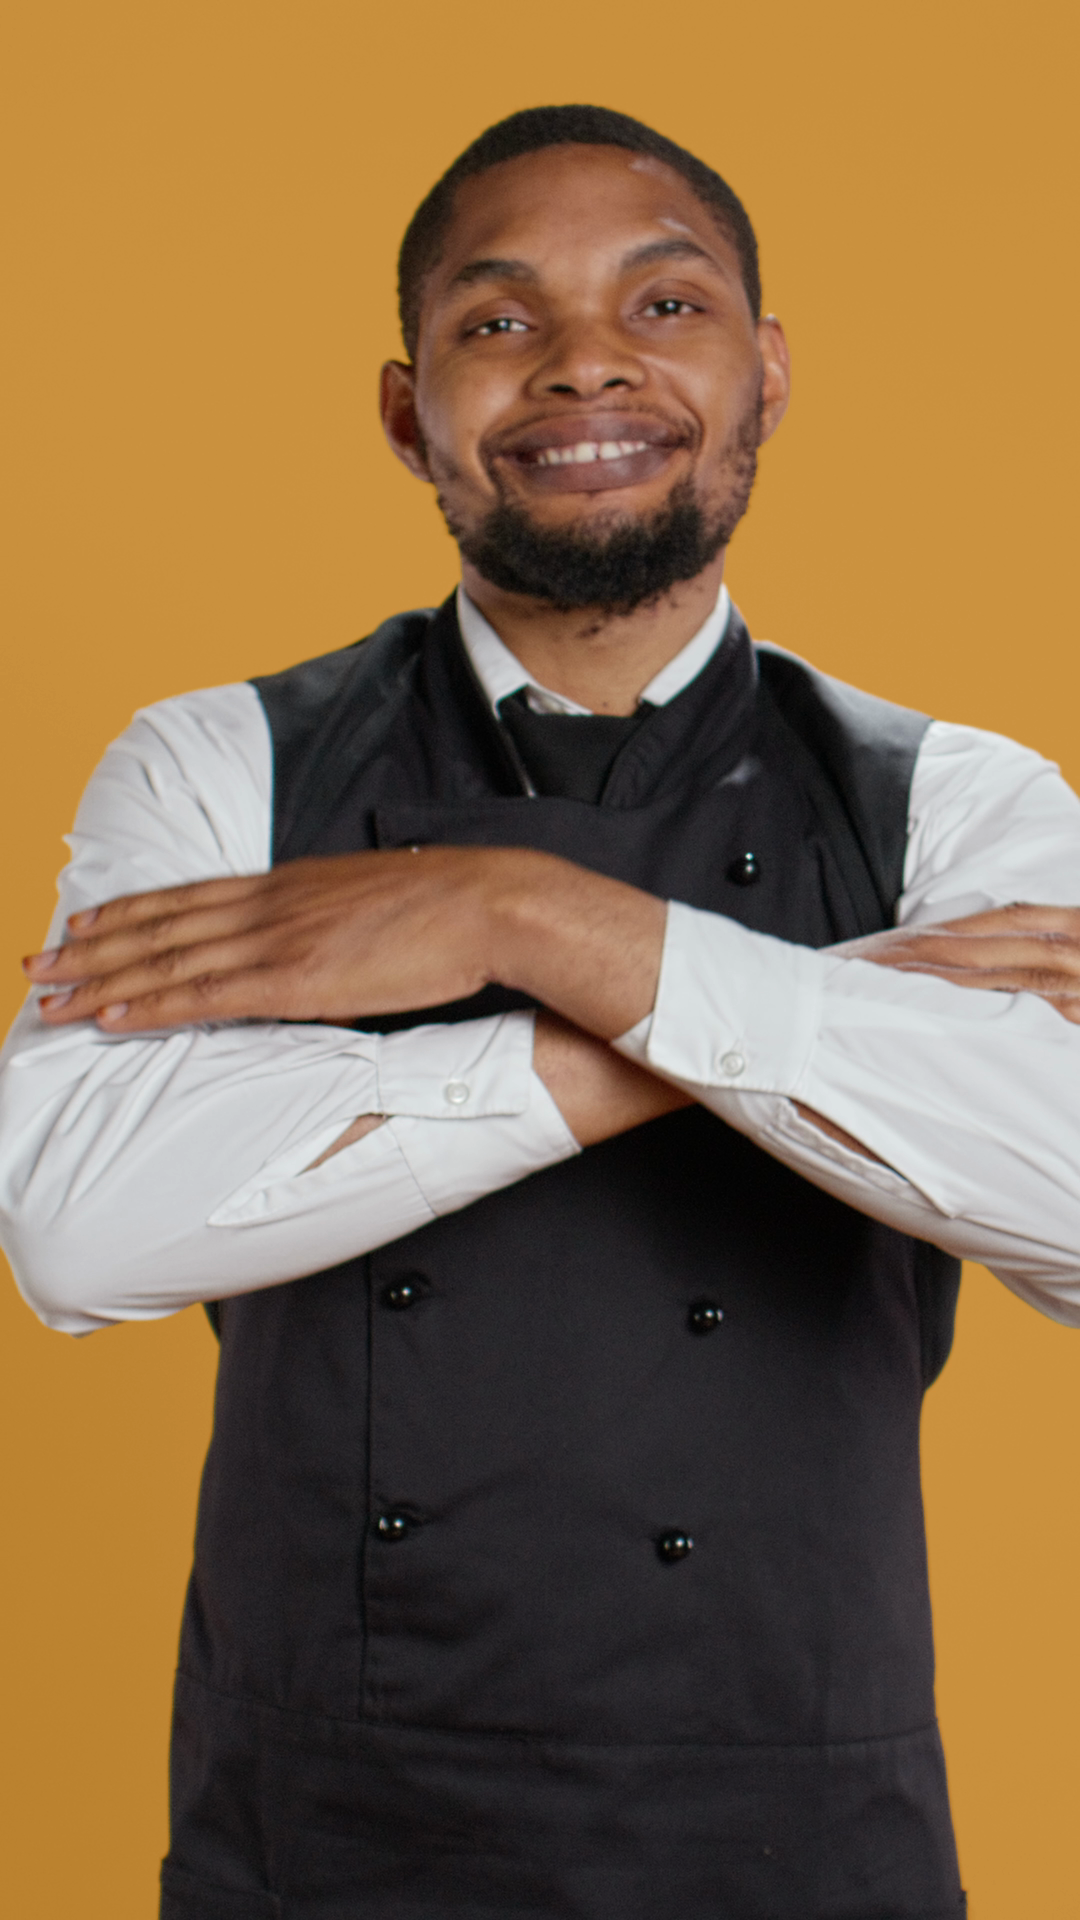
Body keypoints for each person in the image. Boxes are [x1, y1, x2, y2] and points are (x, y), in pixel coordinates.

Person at [3, 103, 1080, 1920]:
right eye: (499, 320)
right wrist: (728, 1021)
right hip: (332, 1830)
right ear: (405, 411)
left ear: (767, 373)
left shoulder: (955, 800)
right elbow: (75, 1229)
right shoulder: (216, 765)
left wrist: (522, 916)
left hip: (800, 1825)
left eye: (666, 305)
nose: (586, 362)